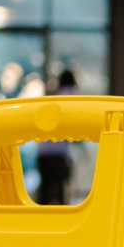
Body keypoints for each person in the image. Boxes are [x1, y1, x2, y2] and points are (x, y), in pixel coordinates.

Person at [34, 67, 78, 204]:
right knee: (59, 190)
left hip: (43, 150)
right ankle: (61, 220)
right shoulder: (72, 95)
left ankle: (40, 220)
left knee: (45, 191)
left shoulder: (55, 96)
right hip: (58, 152)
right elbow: (75, 122)